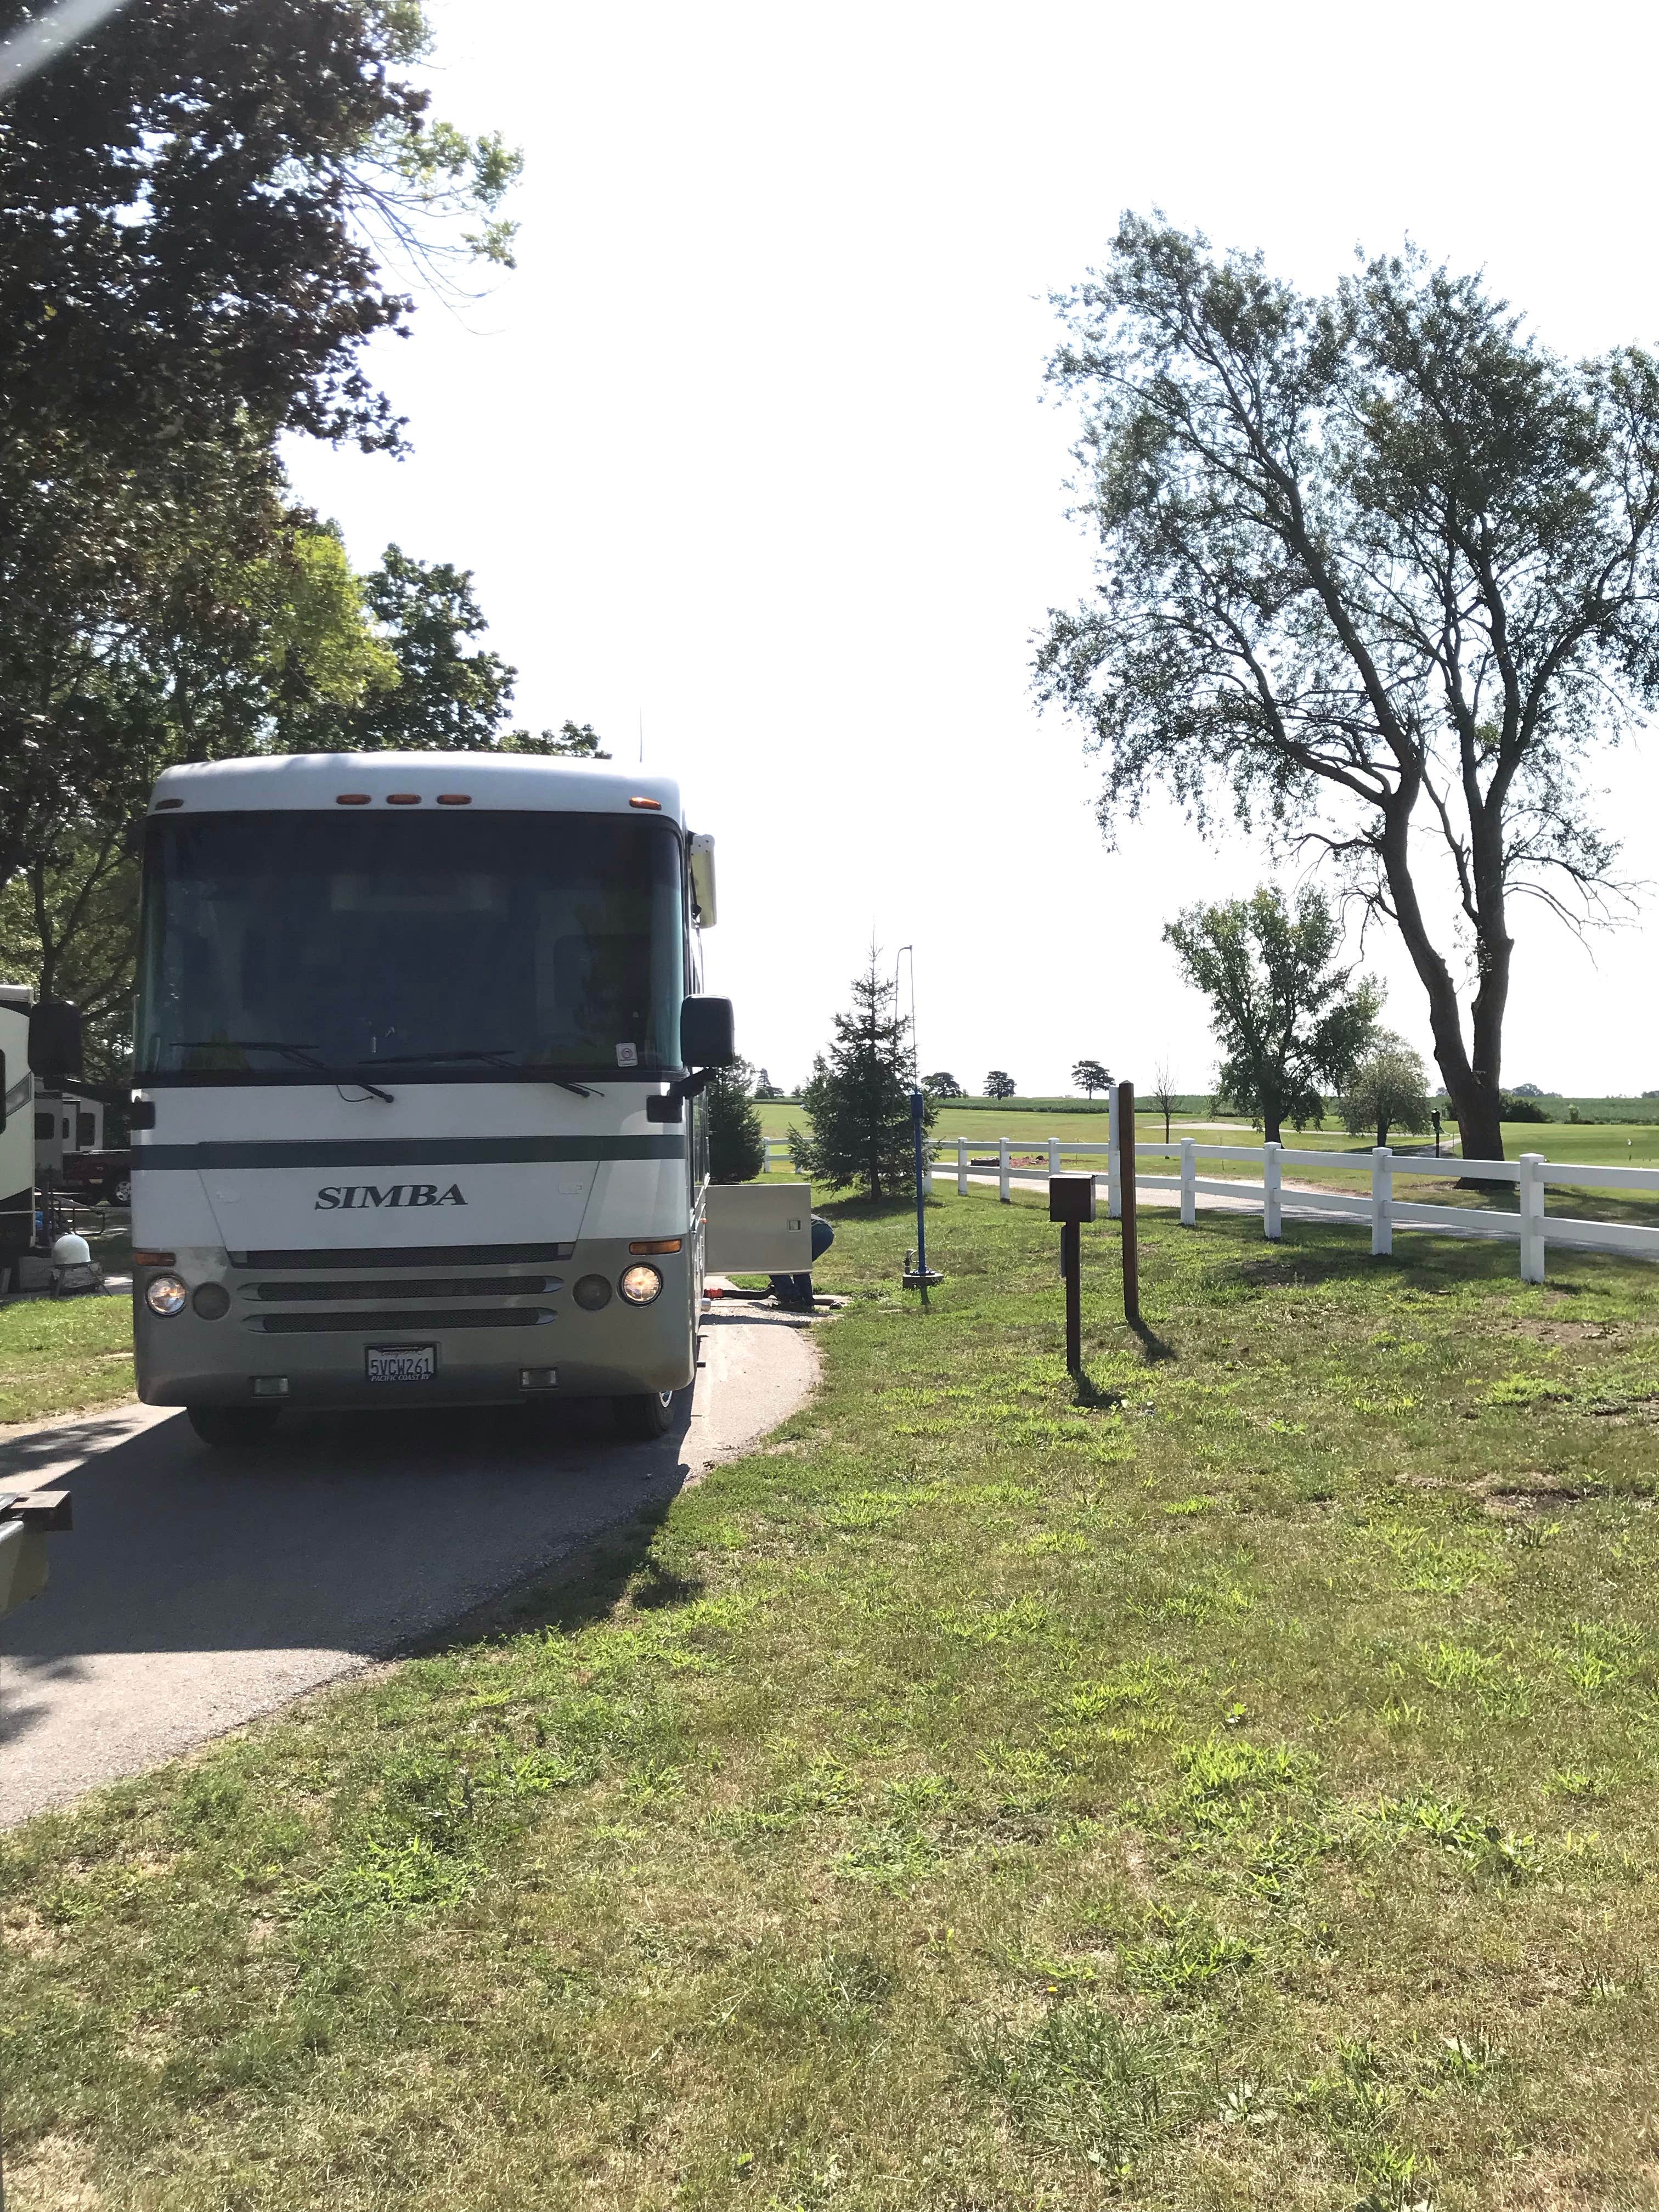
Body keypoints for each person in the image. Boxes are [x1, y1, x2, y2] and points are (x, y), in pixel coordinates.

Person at [769, 1214, 833, 1310]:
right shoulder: (783, 1211)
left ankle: (793, 1299)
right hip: (827, 1232)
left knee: (771, 1265)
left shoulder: (768, 1221)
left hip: (812, 1230)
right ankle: (806, 1302)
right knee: (800, 1266)